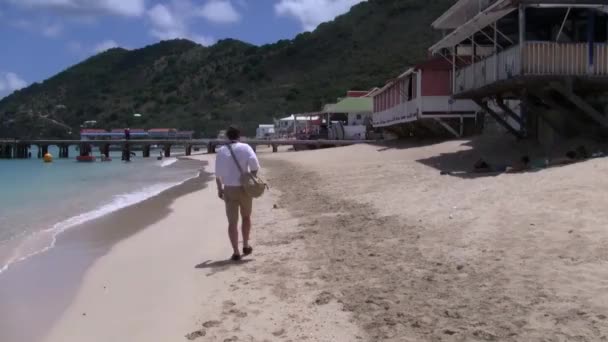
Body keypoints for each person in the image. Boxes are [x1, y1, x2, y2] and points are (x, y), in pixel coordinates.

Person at [215, 126, 260, 261]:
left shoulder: (221, 151)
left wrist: (219, 189)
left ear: (227, 137)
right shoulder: (245, 147)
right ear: (239, 136)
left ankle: (235, 252)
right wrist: (250, 179)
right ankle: (245, 245)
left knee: (232, 223)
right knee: (246, 217)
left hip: (229, 189)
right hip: (245, 188)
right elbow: (255, 166)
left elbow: (218, 174)